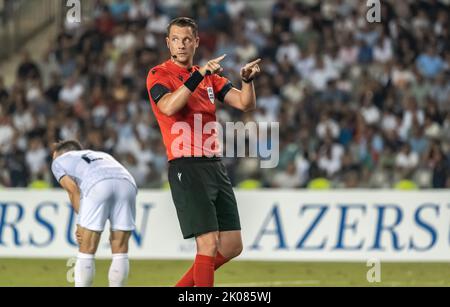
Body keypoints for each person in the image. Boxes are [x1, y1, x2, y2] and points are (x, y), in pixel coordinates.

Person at [146, 17, 261, 287]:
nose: (181, 44)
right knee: (207, 244)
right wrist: (198, 75)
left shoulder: (212, 79)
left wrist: (246, 81)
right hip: (187, 166)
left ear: (196, 42)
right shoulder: (158, 74)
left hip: (214, 165)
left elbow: (245, 103)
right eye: (175, 39)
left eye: (187, 39)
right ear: (168, 43)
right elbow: (168, 107)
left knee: (232, 245)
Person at [51, 140, 137, 287]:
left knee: (87, 248)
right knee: (120, 248)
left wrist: (80, 222)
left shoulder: (58, 161)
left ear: (58, 154)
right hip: (127, 182)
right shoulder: (100, 154)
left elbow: (73, 191)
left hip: (97, 183)